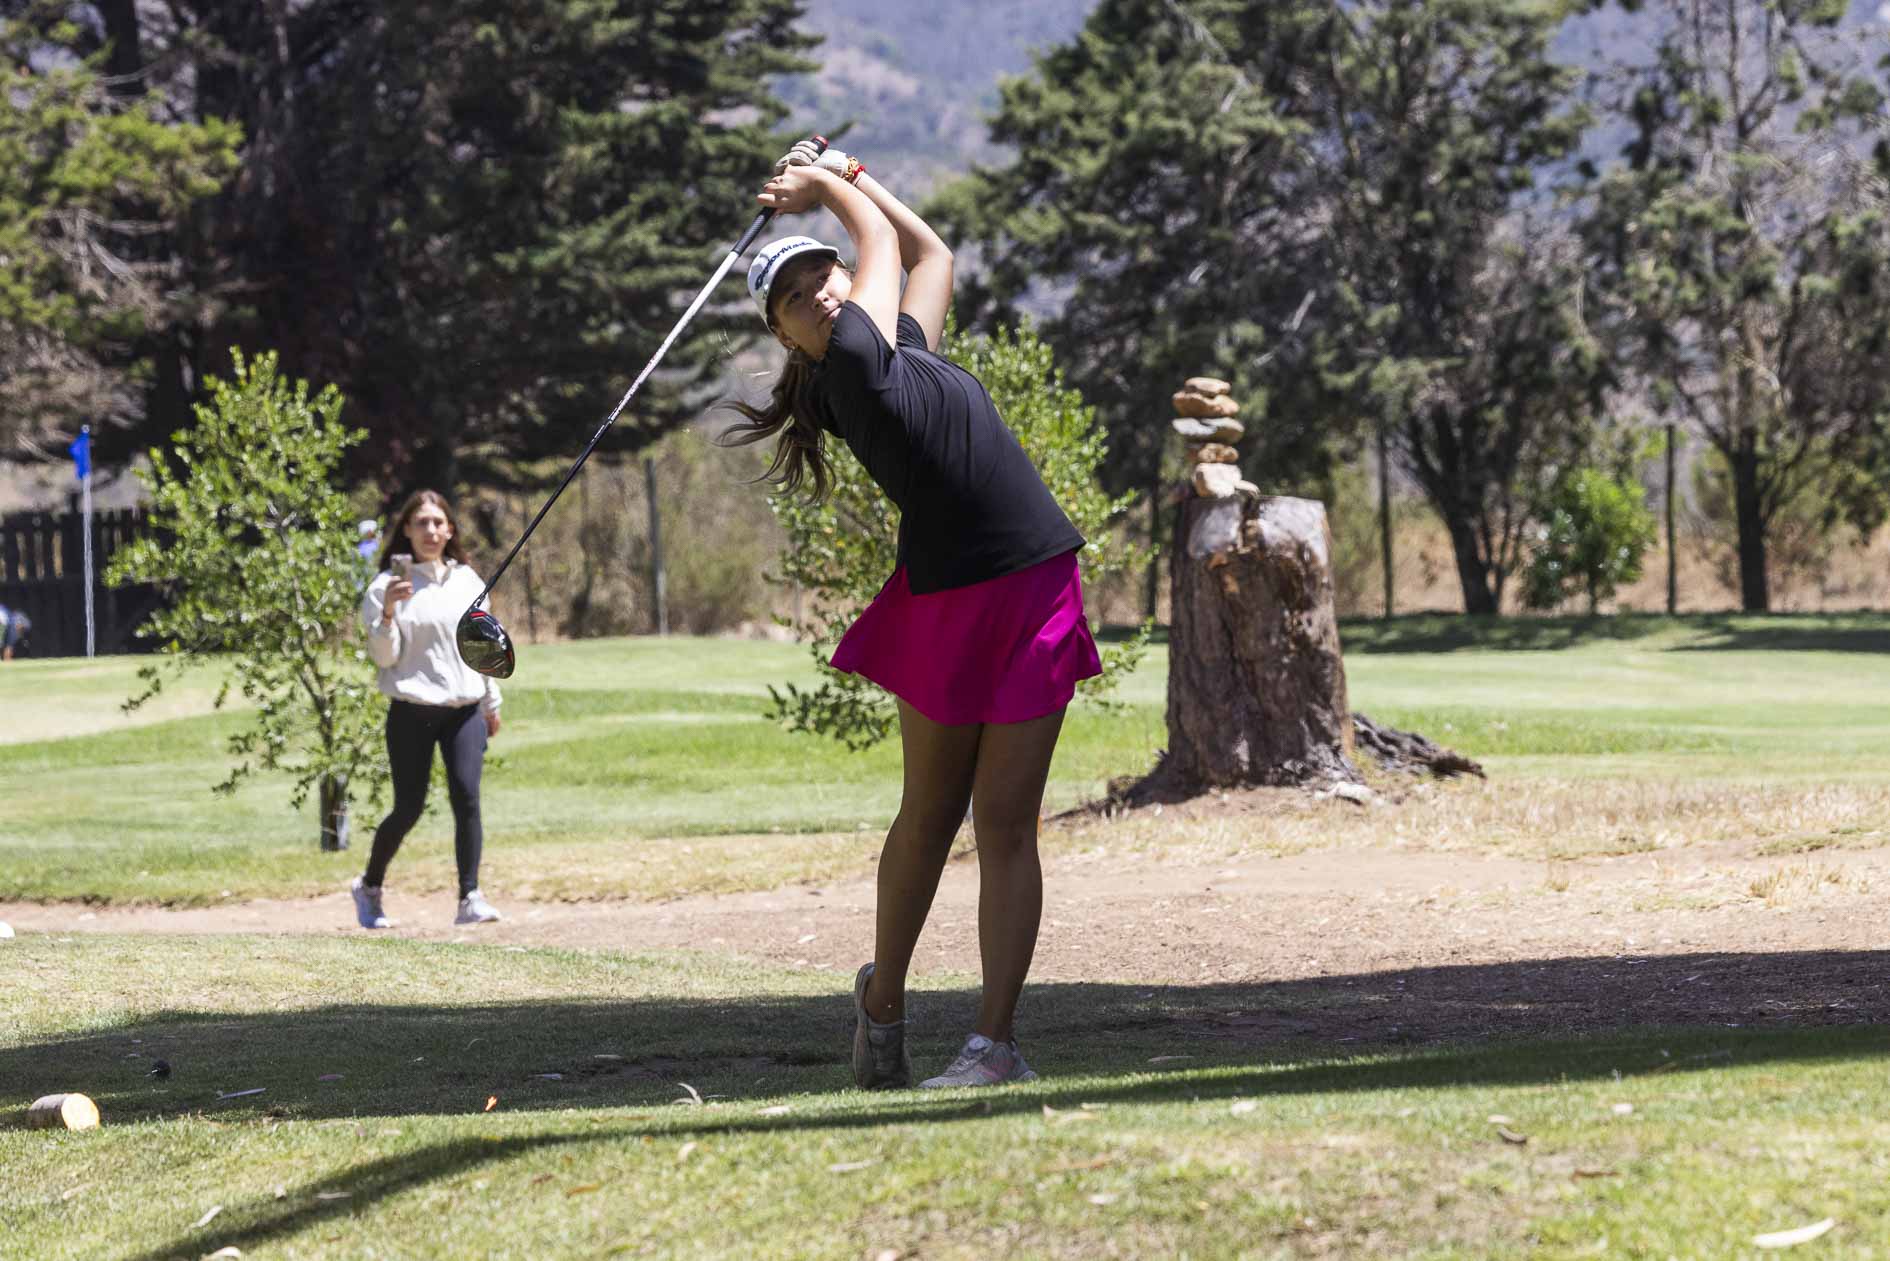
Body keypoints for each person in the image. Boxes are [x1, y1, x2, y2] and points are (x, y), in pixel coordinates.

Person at [726, 141, 1102, 1089]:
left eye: (822, 276)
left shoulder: (899, 353)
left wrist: (852, 175)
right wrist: (828, 190)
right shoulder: (854, 367)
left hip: (1036, 584)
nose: (816, 294)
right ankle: (883, 1004)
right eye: (792, 298)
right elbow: (881, 246)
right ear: (788, 338)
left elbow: (931, 253)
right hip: (947, 605)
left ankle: (994, 1046)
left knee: (1007, 823)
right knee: (931, 816)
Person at [354, 490, 504, 929]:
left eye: (439, 523)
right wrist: (388, 613)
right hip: (412, 711)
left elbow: (481, 648)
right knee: (408, 808)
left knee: (467, 797)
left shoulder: (468, 582)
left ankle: (469, 897)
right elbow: (384, 657)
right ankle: (369, 886)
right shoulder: (384, 587)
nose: (431, 531)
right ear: (406, 530)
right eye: (421, 523)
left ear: (450, 529)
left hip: (464, 708)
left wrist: (491, 701)